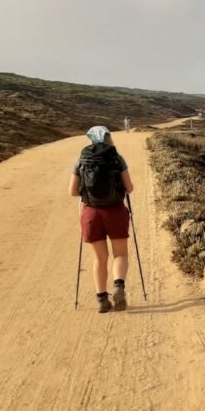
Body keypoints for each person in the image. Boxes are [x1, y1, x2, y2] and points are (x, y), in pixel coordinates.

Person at [69, 126, 134, 313]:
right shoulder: (117, 159)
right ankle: (119, 287)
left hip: (91, 213)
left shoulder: (82, 160)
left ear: (90, 138)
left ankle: (102, 300)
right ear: (108, 137)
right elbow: (129, 188)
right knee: (120, 254)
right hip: (115, 211)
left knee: (99, 258)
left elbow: (72, 191)